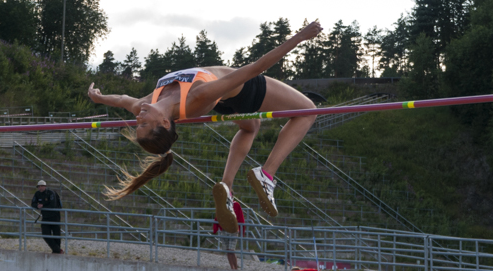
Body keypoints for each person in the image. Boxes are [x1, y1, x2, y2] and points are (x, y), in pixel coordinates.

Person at [88, 21, 323, 231]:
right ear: (164, 122)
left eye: (137, 123)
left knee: (250, 127)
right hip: (240, 91)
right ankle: (267, 174)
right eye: (144, 123)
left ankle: (227, 188)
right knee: (307, 111)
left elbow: (121, 99)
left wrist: (99, 97)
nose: (138, 117)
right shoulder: (198, 96)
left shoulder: (145, 105)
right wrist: (299, 37)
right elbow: (255, 68)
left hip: (223, 100)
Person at [31, 180, 63, 254]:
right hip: (45, 216)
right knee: (45, 234)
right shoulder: (37, 194)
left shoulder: (51, 193)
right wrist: (37, 206)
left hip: (55, 216)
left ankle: (56, 251)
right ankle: (57, 250)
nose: (40, 188)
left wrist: (43, 205)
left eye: (42, 186)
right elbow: (33, 203)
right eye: (39, 186)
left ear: (45, 186)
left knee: (56, 234)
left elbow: (53, 204)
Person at [213, 201, 246, 270]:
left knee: (231, 250)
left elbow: (240, 217)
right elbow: (218, 215)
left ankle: (236, 268)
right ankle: (232, 268)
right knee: (228, 250)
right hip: (225, 229)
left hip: (233, 230)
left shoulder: (236, 205)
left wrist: (241, 230)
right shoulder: (223, 205)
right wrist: (215, 228)